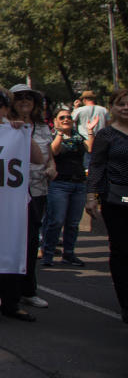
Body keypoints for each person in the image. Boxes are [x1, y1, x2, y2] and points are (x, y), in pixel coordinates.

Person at [0, 86, 42, 325]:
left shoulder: (16, 129)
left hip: (15, 204)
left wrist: (22, 132)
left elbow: (38, 158)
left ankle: (12, 304)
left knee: (15, 251)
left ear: (6, 108)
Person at [7, 84, 55, 309]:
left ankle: (28, 290)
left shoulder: (43, 127)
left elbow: (47, 155)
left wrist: (52, 166)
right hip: (9, 192)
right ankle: (5, 291)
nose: (24, 101)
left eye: (29, 98)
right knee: (8, 242)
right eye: (19, 98)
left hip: (37, 190)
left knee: (30, 242)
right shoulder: (3, 126)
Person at [85, 88, 128, 324]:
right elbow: (97, 166)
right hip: (118, 197)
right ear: (112, 107)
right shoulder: (106, 135)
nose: (126, 108)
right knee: (122, 250)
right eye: (121, 104)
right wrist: (91, 195)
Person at [42, 105, 94, 268]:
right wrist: (60, 133)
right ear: (56, 121)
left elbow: (90, 148)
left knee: (73, 223)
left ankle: (69, 254)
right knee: (56, 221)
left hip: (78, 184)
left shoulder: (77, 136)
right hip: (59, 185)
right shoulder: (53, 136)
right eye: (62, 118)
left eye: (68, 117)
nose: (66, 120)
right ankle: (48, 254)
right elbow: (54, 152)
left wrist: (90, 131)